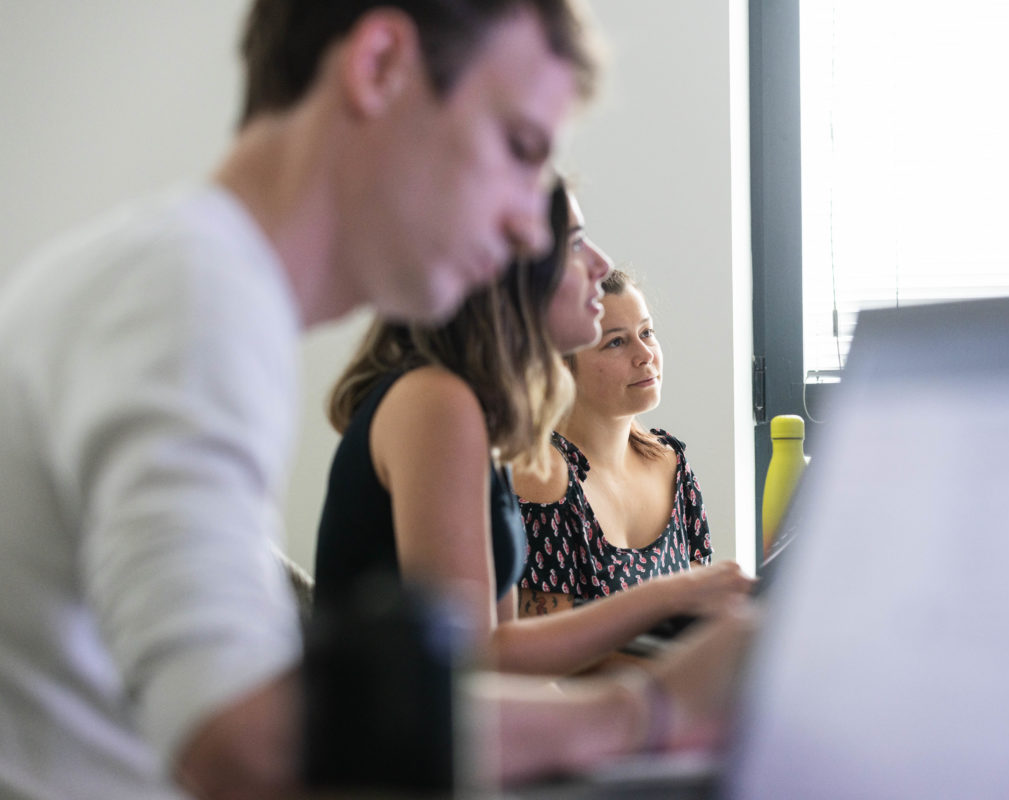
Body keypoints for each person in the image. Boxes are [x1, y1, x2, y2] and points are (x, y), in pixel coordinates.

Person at [0, 1, 604, 797]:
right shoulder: (189, 292)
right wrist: (644, 712)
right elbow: (241, 737)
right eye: (519, 148)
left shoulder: (190, 283)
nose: (531, 229)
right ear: (379, 66)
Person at [314, 183, 751, 677]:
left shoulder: (479, 416)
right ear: (501, 268)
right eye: (574, 243)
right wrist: (669, 597)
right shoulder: (436, 401)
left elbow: (503, 651)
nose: (601, 264)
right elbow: (469, 671)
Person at [515, 269, 750, 623]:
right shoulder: (545, 479)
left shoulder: (672, 465)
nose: (645, 355)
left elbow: (697, 621)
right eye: (616, 342)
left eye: (647, 333)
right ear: (561, 366)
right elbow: (545, 649)